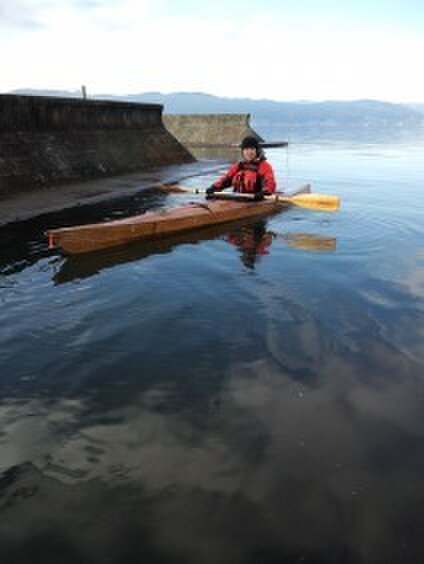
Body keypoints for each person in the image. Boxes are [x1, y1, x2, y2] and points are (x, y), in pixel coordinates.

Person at [206, 136, 277, 200]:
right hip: (238, 198)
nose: (249, 152)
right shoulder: (239, 166)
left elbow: (270, 183)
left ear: (257, 151)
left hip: (255, 199)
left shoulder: (264, 166)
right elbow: (225, 179)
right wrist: (214, 187)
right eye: (246, 149)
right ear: (243, 151)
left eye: (252, 149)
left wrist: (264, 193)